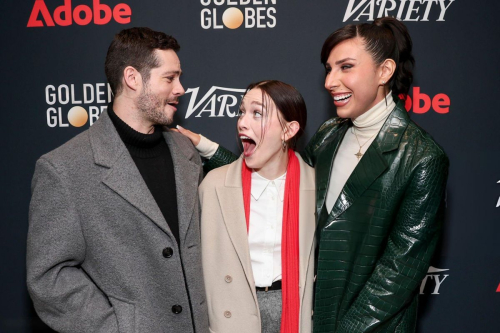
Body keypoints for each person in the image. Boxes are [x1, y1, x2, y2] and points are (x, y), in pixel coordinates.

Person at [179, 17, 449, 333]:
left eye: (345, 67)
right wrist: (209, 150)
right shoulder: (329, 136)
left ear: (385, 71)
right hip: (313, 317)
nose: (329, 82)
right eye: (329, 69)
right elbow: (277, 179)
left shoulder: (422, 157)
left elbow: (399, 273)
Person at [27, 27, 208, 332]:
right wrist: (117, 328)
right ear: (133, 78)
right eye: (169, 78)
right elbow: (50, 278)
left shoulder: (185, 152)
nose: (181, 88)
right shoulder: (64, 168)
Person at [198, 80, 315, 333]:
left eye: (257, 113)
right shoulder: (214, 186)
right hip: (233, 315)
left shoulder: (316, 188)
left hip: (293, 315)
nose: (242, 122)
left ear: (289, 130)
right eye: (242, 112)